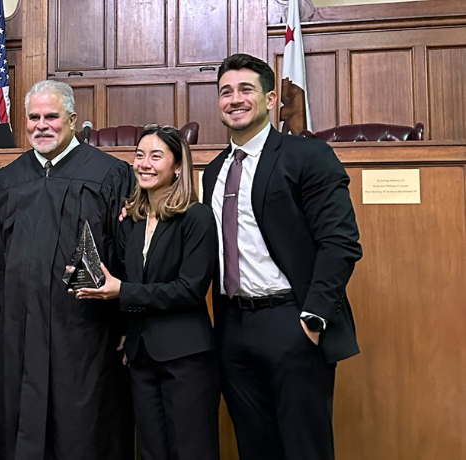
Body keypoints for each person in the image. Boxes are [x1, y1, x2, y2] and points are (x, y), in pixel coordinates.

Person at [202, 53, 362, 460]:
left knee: (303, 448)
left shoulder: (307, 156)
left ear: (271, 100)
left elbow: (340, 241)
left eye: (245, 90)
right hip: (233, 327)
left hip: (292, 322)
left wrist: (313, 318)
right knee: (254, 447)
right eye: (225, 91)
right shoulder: (214, 170)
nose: (234, 99)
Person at [0, 80, 135, 460]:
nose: (41, 125)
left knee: (83, 428)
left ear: (72, 119)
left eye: (52, 116)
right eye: (34, 117)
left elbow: (130, 257)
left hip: (85, 331)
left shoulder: (110, 175)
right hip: (19, 330)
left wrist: (131, 324)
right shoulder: (6, 180)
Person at [75, 125, 220, 460]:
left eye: (156, 156)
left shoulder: (197, 218)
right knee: (152, 452)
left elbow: (190, 290)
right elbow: (134, 278)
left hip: (186, 359)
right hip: (141, 358)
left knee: (192, 451)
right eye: (139, 155)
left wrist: (122, 292)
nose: (144, 163)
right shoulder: (134, 220)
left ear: (178, 165)